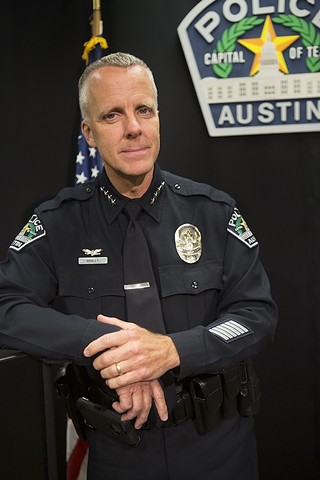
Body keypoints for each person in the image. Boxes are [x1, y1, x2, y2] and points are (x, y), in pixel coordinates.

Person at [0, 52, 277, 479]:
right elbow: (6, 307)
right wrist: (108, 343)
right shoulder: (57, 223)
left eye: (143, 110)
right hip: (119, 451)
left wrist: (171, 350)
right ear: (89, 134)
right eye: (113, 115)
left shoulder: (213, 212)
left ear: (158, 118)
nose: (133, 128)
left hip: (218, 447)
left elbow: (257, 314)